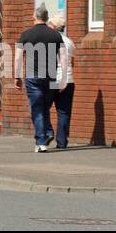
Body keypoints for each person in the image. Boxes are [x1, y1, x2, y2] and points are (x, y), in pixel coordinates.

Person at [13, 5, 65, 152]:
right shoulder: (55, 35)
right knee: (44, 107)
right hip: (51, 76)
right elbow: (63, 57)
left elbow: (17, 57)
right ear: (47, 18)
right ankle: (47, 133)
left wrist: (17, 76)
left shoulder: (26, 35)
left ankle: (41, 142)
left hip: (33, 77)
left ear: (34, 16)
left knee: (37, 109)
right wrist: (63, 78)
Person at [50, 14, 76, 150]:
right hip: (68, 80)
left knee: (42, 109)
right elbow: (72, 62)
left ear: (54, 27)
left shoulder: (49, 41)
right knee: (64, 112)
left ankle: (47, 133)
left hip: (52, 79)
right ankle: (62, 141)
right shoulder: (70, 42)